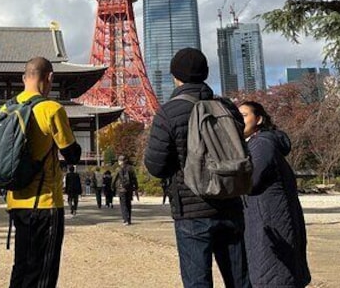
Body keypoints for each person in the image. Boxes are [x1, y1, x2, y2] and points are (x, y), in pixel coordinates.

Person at [144, 47, 251, 288]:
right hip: (230, 201)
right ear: (206, 74)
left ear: (175, 76)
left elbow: (156, 165)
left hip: (192, 210)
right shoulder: (228, 108)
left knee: (197, 282)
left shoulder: (168, 112)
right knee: (240, 280)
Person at [7, 57, 82, 288]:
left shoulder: (7, 107)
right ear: (50, 78)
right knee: (43, 272)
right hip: (45, 203)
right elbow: (72, 155)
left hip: (16, 201)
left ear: (23, 78)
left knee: (22, 267)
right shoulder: (52, 109)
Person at [238, 101, 311, 288]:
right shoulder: (259, 143)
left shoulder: (261, 144)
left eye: (244, 115)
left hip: (268, 222)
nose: (239, 120)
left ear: (259, 119)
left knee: (272, 277)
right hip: (270, 220)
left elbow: (250, 182)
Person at [112, 155, 138, 225]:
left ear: (121, 161)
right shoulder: (131, 168)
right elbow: (135, 179)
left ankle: (125, 219)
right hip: (129, 188)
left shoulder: (119, 169)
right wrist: (136, 187)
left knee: (123, 204)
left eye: (119, 161)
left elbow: (114, 178)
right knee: (128, 204)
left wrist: (112, 187)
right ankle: (129, 219)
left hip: (121, 188)